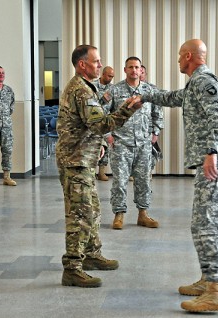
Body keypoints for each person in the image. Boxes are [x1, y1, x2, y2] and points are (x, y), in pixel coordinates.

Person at [128, 39, 218, 312]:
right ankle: (207, 280)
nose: (177, 60)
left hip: (216, 159)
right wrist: (145, 96)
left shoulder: (204, 81)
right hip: (211, 159)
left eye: (179, 56)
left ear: (189, 56)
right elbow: (172, 97)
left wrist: (211, 150)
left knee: (207, 223)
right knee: (201, 222)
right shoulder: (194, 83)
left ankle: (215, 292)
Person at [56, 45, 142, 288]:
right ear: (82, 64)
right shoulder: (81, 91)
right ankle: (72, 267)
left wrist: (99, 143)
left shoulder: (86, 88)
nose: (100, 65)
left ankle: (91, 255)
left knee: (91, 209)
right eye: (96, 61)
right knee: (79, 215)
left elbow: (87, 126)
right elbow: (100, 124)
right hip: (75, 161)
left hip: (82, 159)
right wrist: (128, 109)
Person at [104, 57, 163, 230]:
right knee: (120, 182)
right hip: (121, 143)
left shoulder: (150, 91)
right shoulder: (114, 91)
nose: (134, 70)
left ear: (141, 69)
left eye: (137, 67)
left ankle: (143, 214)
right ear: (125, 70)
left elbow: (157, 113)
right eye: (130, 67)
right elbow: (102, 114)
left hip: (144, 144)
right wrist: (108, 135)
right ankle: (119, 215)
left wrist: (155, 132)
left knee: (144, 180)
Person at [140, 64, 164, 177]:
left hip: (148, 130)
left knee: (148, 157)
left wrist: (156, 132)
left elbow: (158, 112)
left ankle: (147, 174)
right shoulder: (122, 88)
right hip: (129, 132)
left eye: (142, 72)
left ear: (145, 74)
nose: (139, 74)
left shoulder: (152, 89)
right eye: (137, 71)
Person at [93, 66, 115, 181]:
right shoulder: (93, 86)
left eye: (112, 76)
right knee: (92, 146)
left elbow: (114, 106)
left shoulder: (112, 88)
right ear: (103, 74)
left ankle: (102, 172)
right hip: (94, 122)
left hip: (106, 123)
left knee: (106, 147)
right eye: (109, 76)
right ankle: (91, 172)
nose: (111, 78)